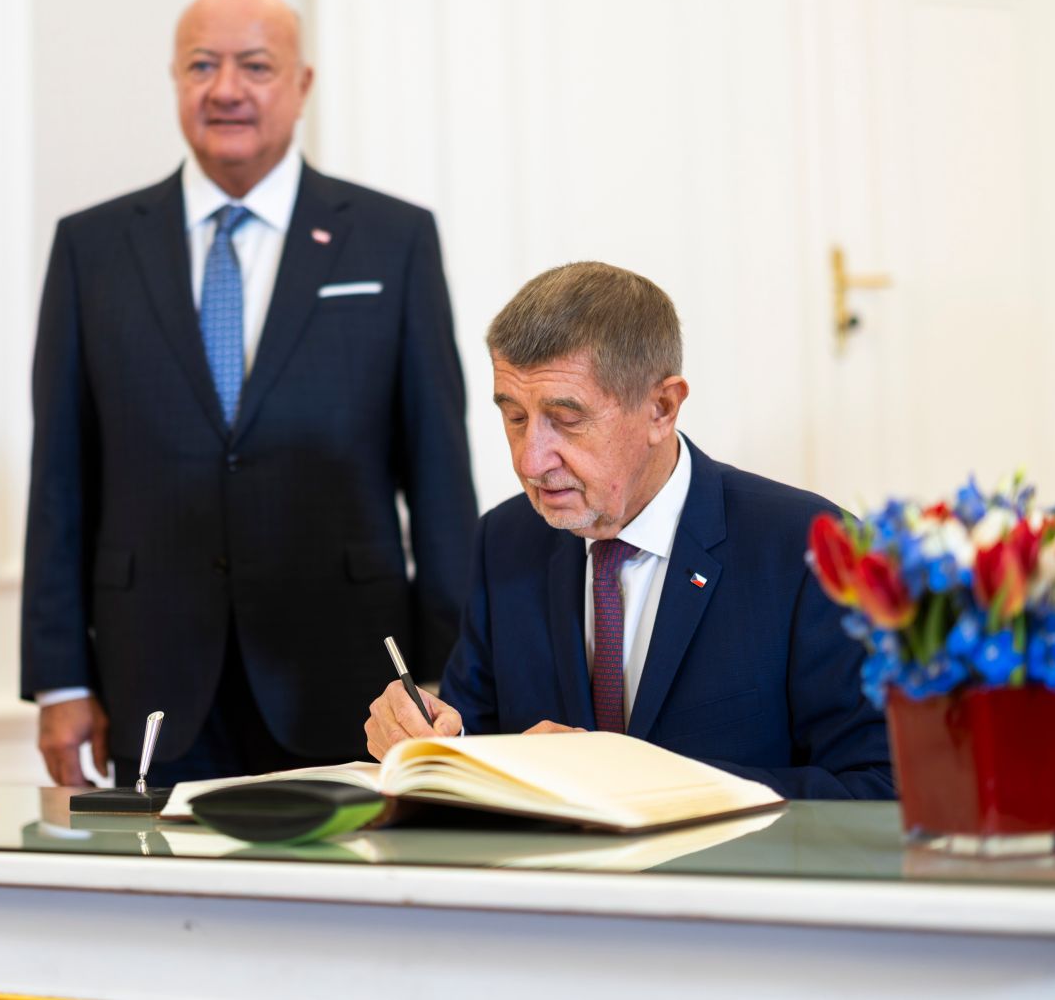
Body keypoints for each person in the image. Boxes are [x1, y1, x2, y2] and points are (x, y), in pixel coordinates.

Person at [24, 0, 477, 786]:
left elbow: (440, 474)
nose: (226, 88)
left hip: (353, 681)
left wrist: (452, 670)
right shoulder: (90, 250)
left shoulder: (393, 241)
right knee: (163, 907)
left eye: (256, 65)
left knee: (340, 908)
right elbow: (60, 479)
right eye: (202, 64)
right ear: (175, 79)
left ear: (301, 85)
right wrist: (61, 678)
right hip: (151, 679)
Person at [363, 262, 893, 799]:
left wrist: (633, 780)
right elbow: (475, 737)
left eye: (566, 419)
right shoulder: (504, 541)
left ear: (662, 408)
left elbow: (878, 787)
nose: (530, 461)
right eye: (515, 418)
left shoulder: (809, 548)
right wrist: (434, 740)